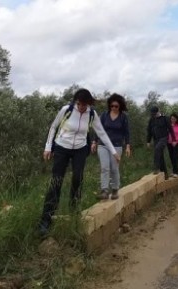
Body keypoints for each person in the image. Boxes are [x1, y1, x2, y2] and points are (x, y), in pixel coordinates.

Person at [39, 88, 120, 235]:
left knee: (77, 178)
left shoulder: (91, 114)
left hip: (80, 149)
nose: (82, 107)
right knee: (56, 181)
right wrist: (48, 147)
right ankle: (45, 221)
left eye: (85, 105)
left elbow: (101, 132)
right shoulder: (67, 110)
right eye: (80, 104)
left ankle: (74, 212)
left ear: (89, 103)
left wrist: (114, 152)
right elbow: (53, 127)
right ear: (76, 102)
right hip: (62, 147)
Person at [96, 93, 131, 201]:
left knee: (114, 169)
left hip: (117, 146)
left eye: (116, 106)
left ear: (120, 106)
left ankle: (115, 189)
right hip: (103, 145)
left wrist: (128, 146)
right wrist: (94, 141)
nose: (114, 108)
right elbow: (98, 128)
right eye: (112, 106)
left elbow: (127, 132)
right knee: (104, 168)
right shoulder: (104, 115)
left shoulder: (123, 117)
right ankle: (105, 190)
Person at [147, 106, 175, 177]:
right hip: (156, 139)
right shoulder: (151, 120)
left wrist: (174, 139)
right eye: (152, 114)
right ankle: (165, 175)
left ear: (158, 112)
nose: (153, 115)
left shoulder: (165, 118)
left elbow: (171, 129)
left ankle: (156, 168)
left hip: (164, 138)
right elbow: (149, 131)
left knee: (157, 149)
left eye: (154, 113)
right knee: (160, 157)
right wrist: (148, 141)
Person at [167, 113, 178, 177]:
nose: (173, 120)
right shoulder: (168, 126)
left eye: (174, 119)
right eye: (171, 119)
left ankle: (176, 172)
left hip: (177, 143)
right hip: (169, 143)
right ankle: (174, 171)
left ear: (176, 119)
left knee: (175, 157)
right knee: (171, 157)